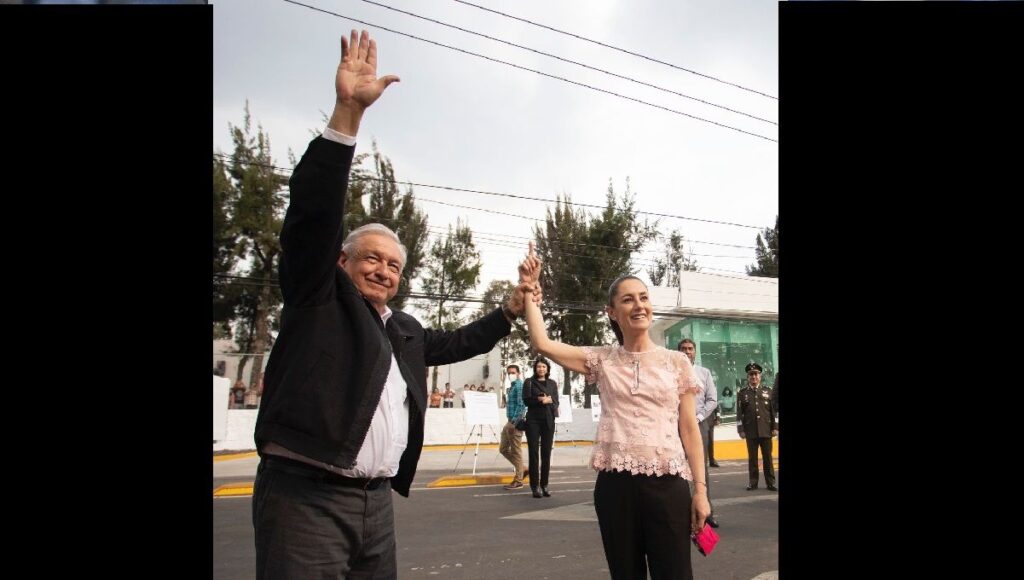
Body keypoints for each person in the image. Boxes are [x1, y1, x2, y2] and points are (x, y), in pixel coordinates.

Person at [250, 30, 539, 580]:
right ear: (341, 262)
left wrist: (509, 307)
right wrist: (347, 116)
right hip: (305, 500)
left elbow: (458, 343)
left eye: (394, 265)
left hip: (376, 504)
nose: (383, 270)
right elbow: (312, 218)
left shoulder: (402, 328)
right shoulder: (317, 298)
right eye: (371, 259)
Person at [518, 243, 709, 579]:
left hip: (668, 487)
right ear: (611, 311)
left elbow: (690, 430)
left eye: (644, 297)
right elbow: (543, 344)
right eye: (628, 299)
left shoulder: (676, 362)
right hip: (615, 489)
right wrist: (532, 292)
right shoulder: (603, 360)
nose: (639, 305)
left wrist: (702, 492)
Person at [677, 338, 719, 528]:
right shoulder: (671, 373)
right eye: (684, 349)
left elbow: (712, 400)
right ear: (678, 352)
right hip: (675, 426)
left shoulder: (704, 373)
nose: (687, 351)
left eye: (690, 348)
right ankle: (682, 513)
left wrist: (699, 417)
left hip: (699, 424)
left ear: (695, 351)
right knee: (677, 468)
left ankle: (707, 513)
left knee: (700, 469)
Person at [737, 362, 778, 491]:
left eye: (756, 374)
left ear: (760, 376)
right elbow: (739, 414)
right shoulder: (743, 393)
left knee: (768, 458)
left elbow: (773, 412)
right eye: (751, 375)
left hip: (766, 430)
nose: (753, 377)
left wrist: (775, 427)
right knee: (753, 459)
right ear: (748, 377)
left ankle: (770, 483)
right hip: (751, 432)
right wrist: (741, 430)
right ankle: (753, 483)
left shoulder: (768, 391)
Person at [522, 356, 559, 498]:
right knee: (533, 453)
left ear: (547, 369)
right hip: (533, 421)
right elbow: (526, 400)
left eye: (544, 367)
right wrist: (539, 400)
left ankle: (544, 485)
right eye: (539, 366)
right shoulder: (529, 382)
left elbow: (555, 401)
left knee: (546, 454)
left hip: (549, 421)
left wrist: (550, 400)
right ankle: (534, 486)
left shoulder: (552, 383)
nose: (541, 369)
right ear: (535, 368)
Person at [499, 364, 527, 490]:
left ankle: (518, 480)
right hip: (509, 421)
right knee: (503, 449)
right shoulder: (512, 387)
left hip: (515, 423)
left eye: (513, 372)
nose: (510, 375)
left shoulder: (520, 386)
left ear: (518, 373)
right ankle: (523, 469)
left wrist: (514, 423)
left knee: (516, 451)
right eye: (508, 373)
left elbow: (522, 406)